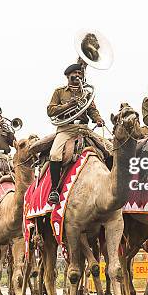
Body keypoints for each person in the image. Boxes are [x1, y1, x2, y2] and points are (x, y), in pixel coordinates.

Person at [46, 63, 104, 204]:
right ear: (68, 76)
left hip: (84, 129)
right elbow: (50, 110)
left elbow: (92, 110)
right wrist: (68, 106)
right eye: (75, 73)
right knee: (54, 154)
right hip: (66, 129)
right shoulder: (59, 92)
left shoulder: (86, 92)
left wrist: (97, 118)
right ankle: (54, 190)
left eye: (80, 73)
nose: (78, 75)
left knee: (108, 148)